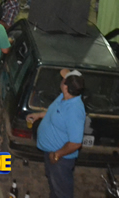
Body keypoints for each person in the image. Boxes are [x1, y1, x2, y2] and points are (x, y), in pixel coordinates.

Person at [26, 69, 86, 198]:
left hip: (61, 160)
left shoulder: (74, 111)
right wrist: (39, 115)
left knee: (61, 192)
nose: (61, 80)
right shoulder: (65, 96)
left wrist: (57, 155)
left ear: (65, 87)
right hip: (51, 152)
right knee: (54, 186)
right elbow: (55, 113)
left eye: (64, 80)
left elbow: (75, 143)